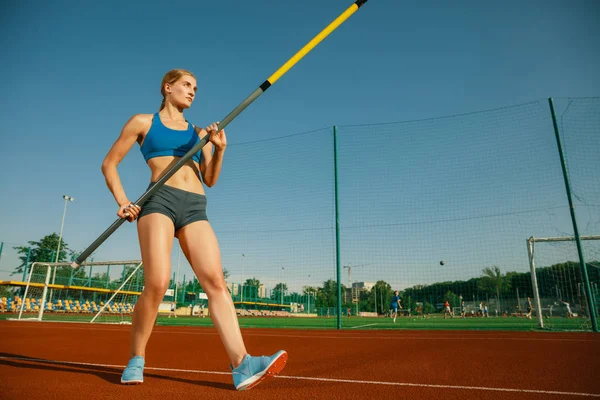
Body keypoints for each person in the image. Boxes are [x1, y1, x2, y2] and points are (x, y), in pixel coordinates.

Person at [101, 69, 287, 390]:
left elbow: (210, 179)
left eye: (196, 88)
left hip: (195, 207)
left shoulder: (199, 133)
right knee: (157, 283)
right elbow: (109, 164)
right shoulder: (143, 123)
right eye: (187, 85)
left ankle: (241, 364)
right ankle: (136, 358)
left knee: (216, 282)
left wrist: (219, 148)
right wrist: (123, 200)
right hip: (158, 202)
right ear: (167, 87)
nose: (192, 91)